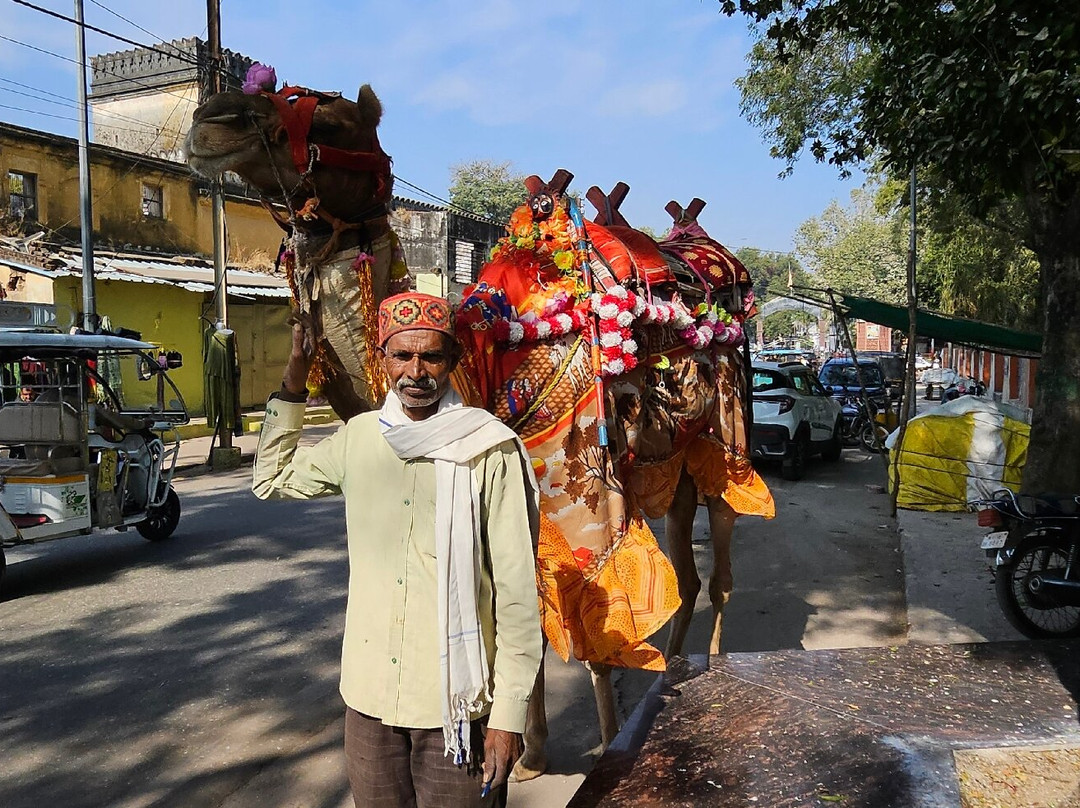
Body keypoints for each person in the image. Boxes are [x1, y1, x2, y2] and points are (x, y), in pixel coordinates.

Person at [252, 292, 543, 808]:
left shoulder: (488, 448)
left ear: (452, 361)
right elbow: (270, 480)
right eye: (402, 355)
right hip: (370, 702)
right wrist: (295, 375)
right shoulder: (360, 438)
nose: (416, 371)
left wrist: (509, 716)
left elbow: (517, 594)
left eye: (431, 356)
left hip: (458, 708)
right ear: (381, 358)